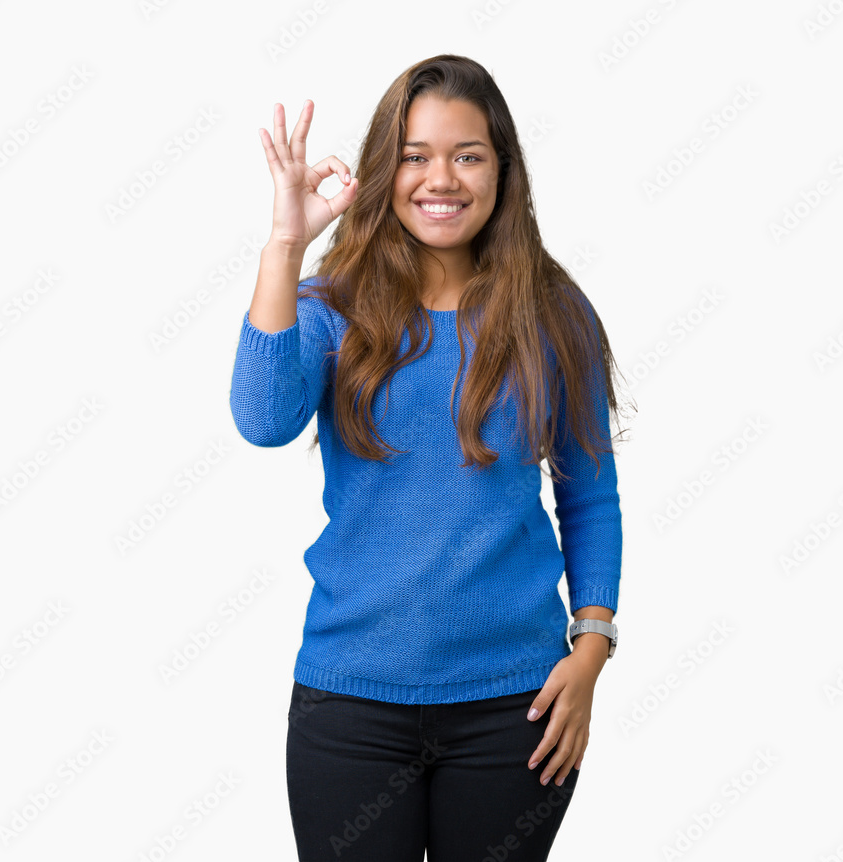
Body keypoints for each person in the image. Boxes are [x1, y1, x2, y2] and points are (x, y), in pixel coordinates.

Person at [229, 54, 630, 862]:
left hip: (516, 711)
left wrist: (591, 649)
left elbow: (588, 494)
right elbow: (263, 420)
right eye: (414, 155)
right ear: (386, 170)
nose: (439, 178)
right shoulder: (331, 306)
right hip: (350, 706)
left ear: (502, 168)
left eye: (467, 154)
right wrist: (284, 244)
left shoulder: (552, 311)